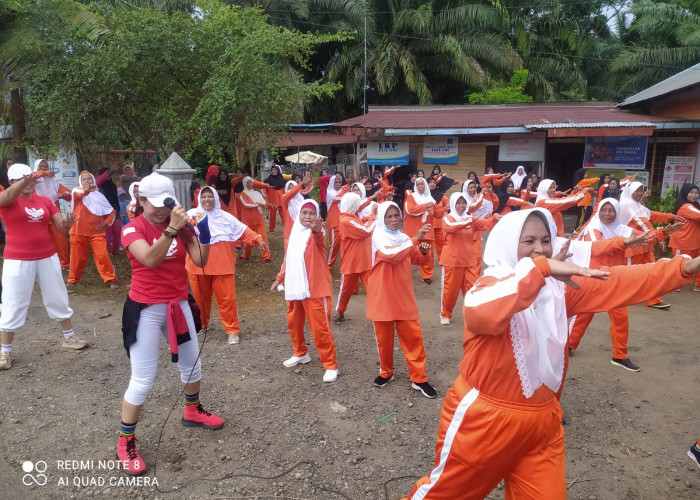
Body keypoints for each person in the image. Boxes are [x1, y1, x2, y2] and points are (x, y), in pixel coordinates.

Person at [402, 208, 700, 500]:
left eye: (546, 240)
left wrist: (681, 268)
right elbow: (482, 314)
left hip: (544, 424)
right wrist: (541, 269)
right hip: (484, 422)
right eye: (528, 241)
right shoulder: (487, 285)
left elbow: (617, 280)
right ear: (507, 243)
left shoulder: (559, 290)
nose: (540, 248)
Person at [117, 172, 221, 476]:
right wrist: (172, 230)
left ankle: (192, 410)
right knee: (143, 379)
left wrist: (203, 231)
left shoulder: (177, 225)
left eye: (167, 204)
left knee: (193, 366)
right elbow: (149, 259)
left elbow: (200, 260)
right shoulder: (131, 229)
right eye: (155, 205)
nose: (161, 211)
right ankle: (126, 441)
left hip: (178, 304)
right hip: (146, 308)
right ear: (142, 199)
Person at [568, 198, 682, 371]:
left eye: (611, 210)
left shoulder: (623, 230)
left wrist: (664, 232)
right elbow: (597, 246)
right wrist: (622, 242)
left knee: (620, 317)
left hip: (615, 279)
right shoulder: (593, 228)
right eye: (603, 210)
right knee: (584, 314)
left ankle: (619, 356)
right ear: (598, 211)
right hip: (594, 278)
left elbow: (645, 237)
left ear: (617, 212)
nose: (607, 214)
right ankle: (569, 345)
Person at [0, 164, 86, 371]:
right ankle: (5, 350)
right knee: (14, 302)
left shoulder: (45, 201)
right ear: (11, 182)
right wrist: (24, 181)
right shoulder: (8, 200)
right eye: (21, 180)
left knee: (57, 295)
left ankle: (69, 337)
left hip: (47, 256)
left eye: (31, 180)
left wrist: (66, 226)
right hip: (17, 258)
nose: (29, 184)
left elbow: (59, 228)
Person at [366, 201, 437, 398]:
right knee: (384, 339)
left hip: (404, 296)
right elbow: (392, 255)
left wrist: (423, 251)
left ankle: (419, 378)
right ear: (382, 218)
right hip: (382, 296)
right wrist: (415, 239)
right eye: (389, 216)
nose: (394, 220)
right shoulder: (378, 237)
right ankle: (386, 372)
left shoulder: (404, 238)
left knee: (413, 337)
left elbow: (416, 259)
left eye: (396, 215)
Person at [186, 187, 268, 345]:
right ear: (199, 199)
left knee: (226, 300)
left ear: (216, 198)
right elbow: (180, 233)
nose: (207, 200)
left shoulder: (226, 217)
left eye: (210, 196)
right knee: (200, 299)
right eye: (204, 197)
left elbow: (243, 231)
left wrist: (258, 240)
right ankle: (201, 325)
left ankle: (232, 330)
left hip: (222, 265)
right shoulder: (191, 215)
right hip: (197, 265)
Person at [280, 200, 339, 383]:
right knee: (294, 322)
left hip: (314, 289)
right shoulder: (295, 234)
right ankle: (300, 353)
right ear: (299, 215)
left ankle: (330, 365)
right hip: (295, 287)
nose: (307, 217)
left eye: (311, 213)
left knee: (320, 328)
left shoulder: (316, 235)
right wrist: (280, 277)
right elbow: (289, 258)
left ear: (317, 217)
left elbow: (319, 239)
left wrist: (316, 230)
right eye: (304, 213)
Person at [619, 181, 681, 309]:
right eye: (637, 190)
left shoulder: (637, 205)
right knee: (630, 274)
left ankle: (653, 299)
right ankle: (624, 296)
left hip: (645, 244)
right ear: (630, 191)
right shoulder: (626, 204)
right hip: (632, 246)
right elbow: (641, 222)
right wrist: (658, 236)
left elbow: (650, 215)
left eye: (641, 190)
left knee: (652, 271)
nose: (639, 193)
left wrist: (670, 216)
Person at [439, 192, 499, 325]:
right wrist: (469, 220)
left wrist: (494, 218)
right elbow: (451, 227)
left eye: (463, 203)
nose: (461, 206)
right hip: (452, 261)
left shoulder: (470, 219)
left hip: (469, 260)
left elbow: (486, 224)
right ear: (453, 204)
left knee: (472, 290)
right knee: (450, 291)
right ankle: (445, 314)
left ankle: (472, 314)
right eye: (458, 203)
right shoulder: (448, 218)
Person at [67, 171, 118, 290]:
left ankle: (111, 279)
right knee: (77, 258)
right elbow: (80, 195)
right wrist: (88, 190)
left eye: (89, 179)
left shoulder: (99, 195)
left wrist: (106, 223)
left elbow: (112, 212)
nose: (87, 181)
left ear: (93, 180)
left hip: (97, 232)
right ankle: (72, 280)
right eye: (84, 179)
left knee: (102, 256)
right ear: (81, 181)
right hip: (78, 231)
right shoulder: (76, 191)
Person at [335, 192, 376, 321]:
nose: (359, 205)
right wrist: (374, 217)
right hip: (352, 262)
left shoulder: (349, 217)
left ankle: (380, 311)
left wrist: (368, 217)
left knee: (374, 289)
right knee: (345, 290)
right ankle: (340, 311)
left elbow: (360, 223)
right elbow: (366, 231)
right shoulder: (346, 220)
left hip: (363, 260)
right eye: (357, 203)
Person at [33, 158, 72, 269]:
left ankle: (64, 264)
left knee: (61, 241)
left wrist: (64, 195)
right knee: (40, 242)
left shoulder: (54, 183)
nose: (43, 168)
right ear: (36, 168)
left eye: (46, 167)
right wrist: (44, 173)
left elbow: (69, 195)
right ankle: (40, 265)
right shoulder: (32, 183)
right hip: (38, 216)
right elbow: (32, 175)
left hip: (55, 217)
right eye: (41, 166)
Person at [404, 177, 443, 284]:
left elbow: (438, 214)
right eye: (418, 185)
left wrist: (446, 208)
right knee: (409, 254)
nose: (420, 186)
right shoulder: (411, 197)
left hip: (427, 231)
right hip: (414, 233)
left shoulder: (431, 199)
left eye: (422, 184)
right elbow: (410, 210)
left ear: (425, 185)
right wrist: (426, 206)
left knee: (428, 254)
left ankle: (427, 276)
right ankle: (404, 274)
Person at [670, 183, 700, 291]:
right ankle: (674, 284)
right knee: (679, 264)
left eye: (696, 193)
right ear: (685, 193)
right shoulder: (685, 207)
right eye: (691, 192)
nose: (694, 195)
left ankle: (698, 285)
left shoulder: (695, 205)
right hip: (682, 242)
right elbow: (698, 216)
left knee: (696, 265)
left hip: (694, 241)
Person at [236, 176, 272, 262]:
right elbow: (247, 204)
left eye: (251, 182)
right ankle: (246, 255)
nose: (250, 184)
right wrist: (259, 204)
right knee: (248, 240)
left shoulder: (257, 193)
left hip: (258, 219)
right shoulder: (241, 194)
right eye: (248, 182)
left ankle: (266, 256)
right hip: (248, 221)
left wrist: (268, 205)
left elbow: (264, 204)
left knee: (263, 238)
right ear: (244, 183)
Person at [322, 173, 349, 269]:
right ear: (332, 183)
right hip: (334, 221)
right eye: (336, 182)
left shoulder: (343, 190)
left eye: (340, 182)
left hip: (343, 221)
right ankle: (328, 264)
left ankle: (345, 264)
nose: (338, 184)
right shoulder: (329, 192)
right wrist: (348, 186)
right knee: (334, 244)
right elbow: (337, 198)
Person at [96, 166, 122, 256]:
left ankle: (116, 249)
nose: (109, 175)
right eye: (107, 174)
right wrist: (111, 170)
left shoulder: (113, 185)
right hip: (105, 212)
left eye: (110, 174)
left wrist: (117, 209)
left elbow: (115, 199)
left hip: (115, 210)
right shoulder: (98, 186)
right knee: (107, 232)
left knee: (117, 231)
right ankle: (108, 250)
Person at [264, 165, 286, 233]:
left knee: (283, 215)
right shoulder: (268, 180)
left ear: (278, 170)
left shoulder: (283, 180)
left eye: (275, 170)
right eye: (272, 170)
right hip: (272, 200)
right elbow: (264, 189)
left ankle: (287, 227)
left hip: (281, 200)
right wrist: (266, 198)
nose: (274, 171)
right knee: (272, 215)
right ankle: (271, 229)